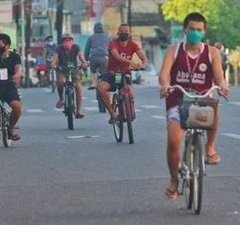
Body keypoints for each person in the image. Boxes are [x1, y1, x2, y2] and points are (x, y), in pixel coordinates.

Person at [159, 12, 230, 200]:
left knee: (214, 108)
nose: (195, 33)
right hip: (178, 99)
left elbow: (219, 76)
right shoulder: (174, 50)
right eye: (192, 29)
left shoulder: (212, 52)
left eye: (199, 30)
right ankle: (174, 181)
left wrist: (222, 86)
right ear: (185, 29)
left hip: (202, 99)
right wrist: (165, 85)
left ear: (204, 31)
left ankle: (210, 147)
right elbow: (164, 74)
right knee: (174, 141)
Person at [97, 24, 148, 124]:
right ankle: (112, 114)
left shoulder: (133, 45)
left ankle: (129, 112)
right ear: (118, 33)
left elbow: (144, 58)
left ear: (129, 33)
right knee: (101, 88)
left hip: (125, 74)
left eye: (126, 32)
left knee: (130, 93)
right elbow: (116, 56)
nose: (124, 33)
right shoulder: (113, 43)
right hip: (112, 73)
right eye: (122, 32)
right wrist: (130, 62)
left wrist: (143, 64)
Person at [51, 33, 89, 118]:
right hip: (62, 70)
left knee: (78, 87)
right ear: (62, 42)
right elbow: (54, 60)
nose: (67, 42)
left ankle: (78, 111)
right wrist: (54, 65)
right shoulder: (58, 49)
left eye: (69, 40)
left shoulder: (76, 47)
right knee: (61, 82)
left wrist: (84, 63)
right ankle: (61, 98)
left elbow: (81, 58)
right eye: (65, 40)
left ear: (72, 41)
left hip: (74, 70)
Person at [85, 22, 110, 90]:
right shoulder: (107, 37)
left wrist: (86, 59)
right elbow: (111, 49)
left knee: (93, 71)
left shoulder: (91, 37)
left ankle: (94, 83)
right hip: (104, 57)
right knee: (104, 73)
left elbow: (87, 49)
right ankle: (105, 84)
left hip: (94, 57)